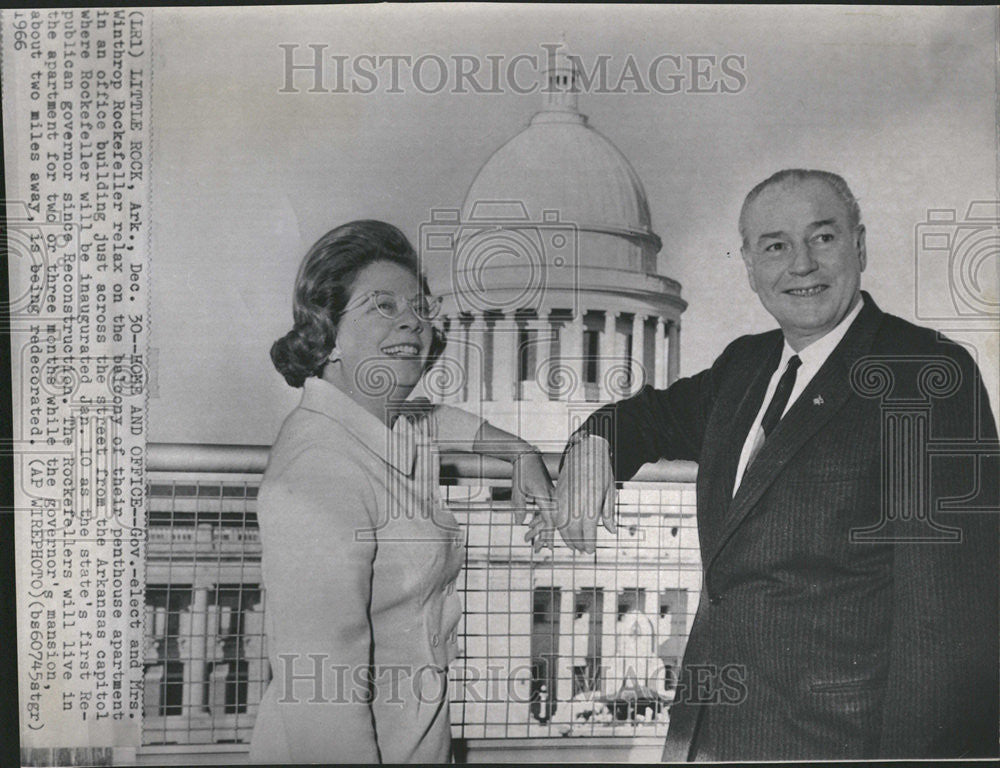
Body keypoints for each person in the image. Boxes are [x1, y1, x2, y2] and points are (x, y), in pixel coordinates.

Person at [554, 170, 999, 760]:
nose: (801, 265)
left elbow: (949, 625)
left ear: (859, 245)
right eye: (775, 246)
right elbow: (650, 417)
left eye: (822, 238)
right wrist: (594, 443)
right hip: (713, 733)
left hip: (838, 745)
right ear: (748, 265)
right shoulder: (746, 366)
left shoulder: (924, 375)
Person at [249, 220, 554, 763]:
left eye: (419, 308)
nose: (413, 322)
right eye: (383, 307)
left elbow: (437, 420)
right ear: (328, 333)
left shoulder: (378, 425)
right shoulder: (321, 468)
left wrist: (519, 452)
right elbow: (323, 697)